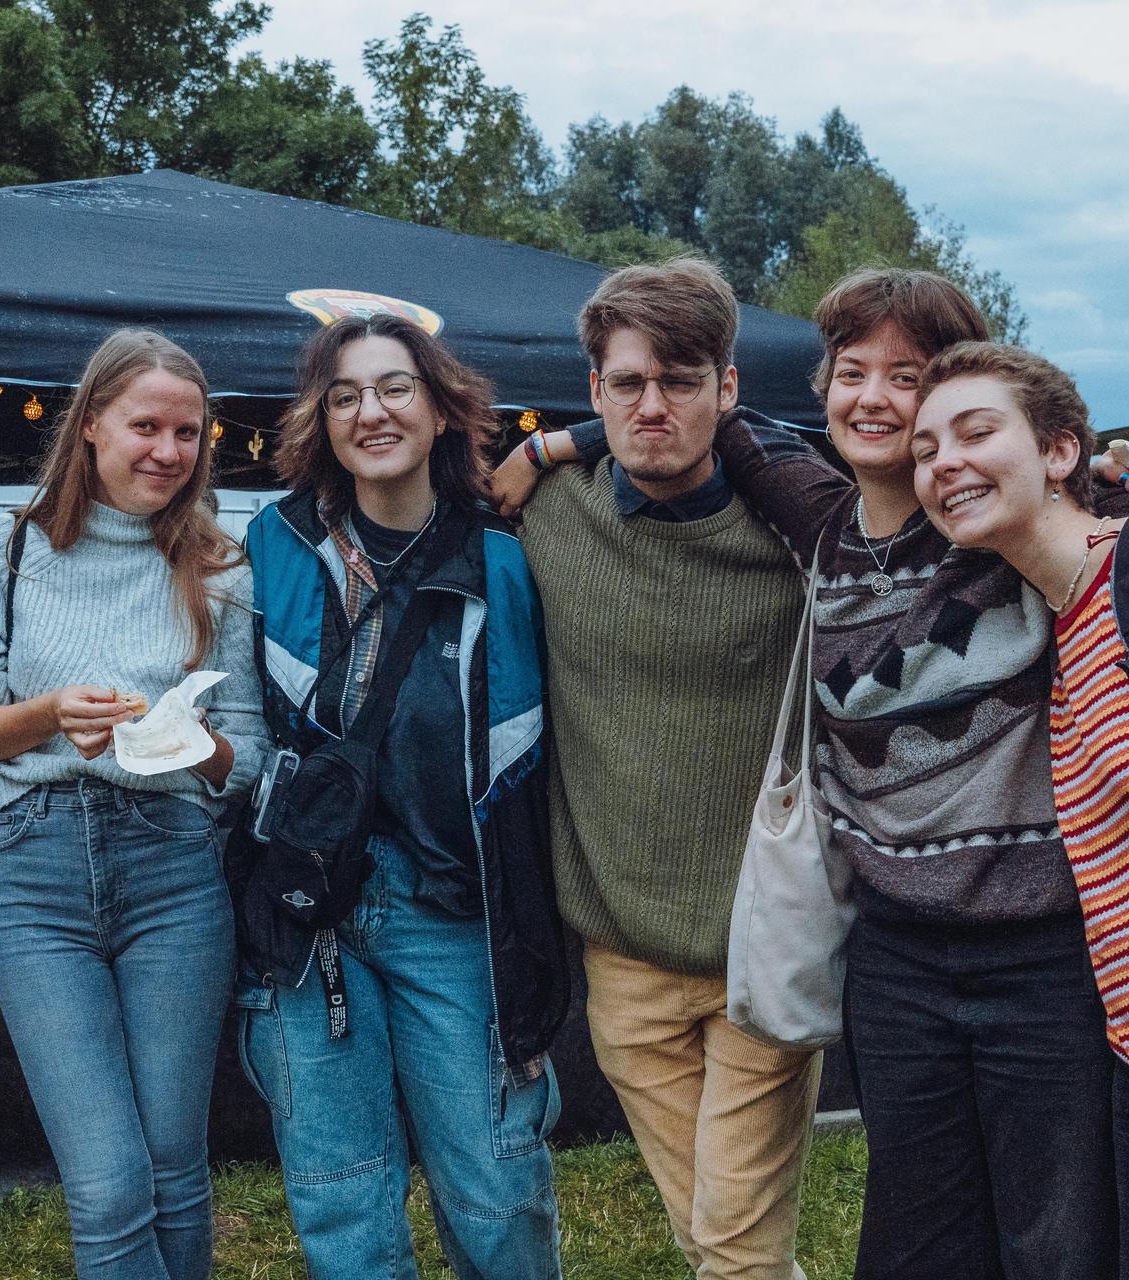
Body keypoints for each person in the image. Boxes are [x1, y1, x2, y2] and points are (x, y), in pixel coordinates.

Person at [495, 267, 1129, 1278]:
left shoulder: (996, 522)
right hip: (894, 952)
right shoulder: (819, 521)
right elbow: (699, 412)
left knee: (1057, 1238)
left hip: (1045, 952)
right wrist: (553, 441)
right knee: (918, 1236)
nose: (876, 398)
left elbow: (1105, 489)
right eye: (852, 372)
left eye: (910, 377)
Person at [497, 257, 819, 1280]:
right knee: (714, 1241)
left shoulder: (804, 532)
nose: (652, 404)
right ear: (592, 388)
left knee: (732, 1248)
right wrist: (552, 449)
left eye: (682, 380)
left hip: (763, 946)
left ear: (729, 390)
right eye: (626, 383)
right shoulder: (547, 517)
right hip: (622, 959)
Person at [233, 313, 571, 1279]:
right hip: (309, 915)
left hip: (453, 910)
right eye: (344, 396)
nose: (369, 412)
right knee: (342, 1199)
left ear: (439, 408)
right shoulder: (274, 543)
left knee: (497, 1190)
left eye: (393, 388)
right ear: (321, 420)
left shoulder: (510, 556)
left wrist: (561, 441)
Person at [0, 328, 267, 1280]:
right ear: (88, 425)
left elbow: (246, 760)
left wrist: (190, 745)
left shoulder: (220, 567)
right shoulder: (7, 547)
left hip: (174, 871)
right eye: (145, 425)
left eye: (188, 433)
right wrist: (45, 715)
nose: (167, 451)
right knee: (110, 1182)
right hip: (35, 879)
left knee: (171, 1169)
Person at [911, 341, 1129, 1280]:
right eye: (929, 450)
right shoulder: (1067, 616)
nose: (945, 464)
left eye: (976, 433)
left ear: (1060, 453)